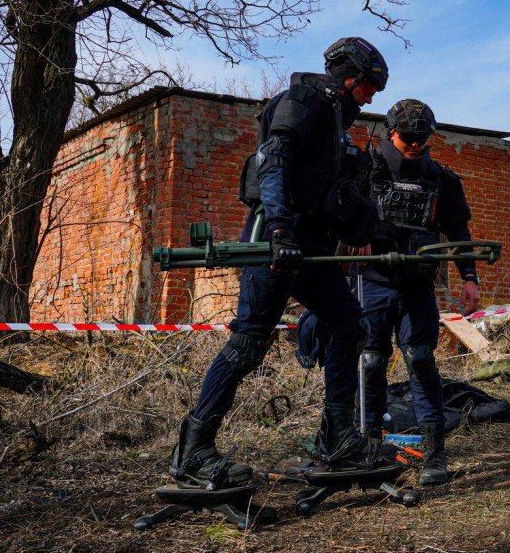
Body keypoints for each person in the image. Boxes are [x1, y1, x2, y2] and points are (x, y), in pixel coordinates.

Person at [169, 37, 394, 488]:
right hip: (277, 244)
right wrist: (279, 230)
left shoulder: (340, 130)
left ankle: (338, 438)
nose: (372, 96)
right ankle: (193, 451)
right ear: (349, 78)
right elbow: (273, 162)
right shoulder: (303, 101)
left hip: (313, 248)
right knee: (249, 344)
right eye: (369, 86)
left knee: (349, 322)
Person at [356, 98, 481, 486]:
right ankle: (369, 447)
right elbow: (335, 212)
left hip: (417, 285)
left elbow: (458, 230)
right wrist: (352, 237)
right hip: (371, 282)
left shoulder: (441, 179)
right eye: (408, 137)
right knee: (371, 362)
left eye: (422, 137)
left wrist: (469, 277)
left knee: (421, 358)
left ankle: (434, 454)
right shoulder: (363, 169)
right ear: (391, 131)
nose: (414, 144)